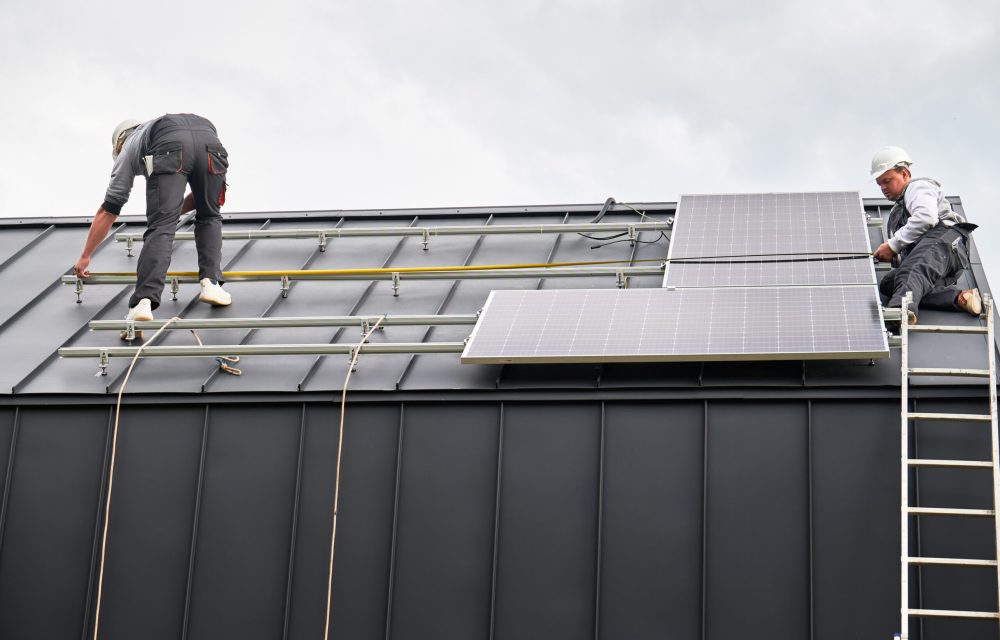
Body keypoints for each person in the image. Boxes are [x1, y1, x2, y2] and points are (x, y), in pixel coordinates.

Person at [73, 114, 232, 335]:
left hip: (170, 140)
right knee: (210, 216)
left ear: (119, 143)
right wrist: (169, 211)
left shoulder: (129, 146)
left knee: (161, 227)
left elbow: (110, 207)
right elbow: (201, 199)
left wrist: (85, 256)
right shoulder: (149, 135)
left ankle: (142, 303)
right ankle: (211, 284)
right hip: (210, 139)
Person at [870, 146, 980, 325]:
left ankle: (902, 311)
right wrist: (892, 256)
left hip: (947, 240)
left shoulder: (917, 187)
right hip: (937, 258)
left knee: (910, 271)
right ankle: (960, 298)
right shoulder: (896, 213)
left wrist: (892, 245)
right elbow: (911, 252)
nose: (883, 187)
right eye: (880, 184)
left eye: (887, 181)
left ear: (904, 174)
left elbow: (926, 218)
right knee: (890, 283)